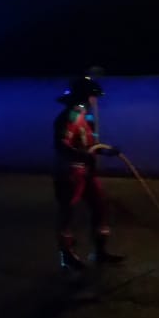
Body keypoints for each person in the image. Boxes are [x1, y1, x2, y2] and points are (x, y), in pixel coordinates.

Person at [52, 75, 123, 270]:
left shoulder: (83, 117)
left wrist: (107, 152)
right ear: (84, 96)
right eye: (93, 96)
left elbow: (91, 145)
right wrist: (82, 156)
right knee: (68, 213)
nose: (95, 101)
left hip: (86, 173)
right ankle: (66, 255)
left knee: (100, 207)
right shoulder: (70, 117)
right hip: (70, 173)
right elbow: (62, 144)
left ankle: (100, 251)